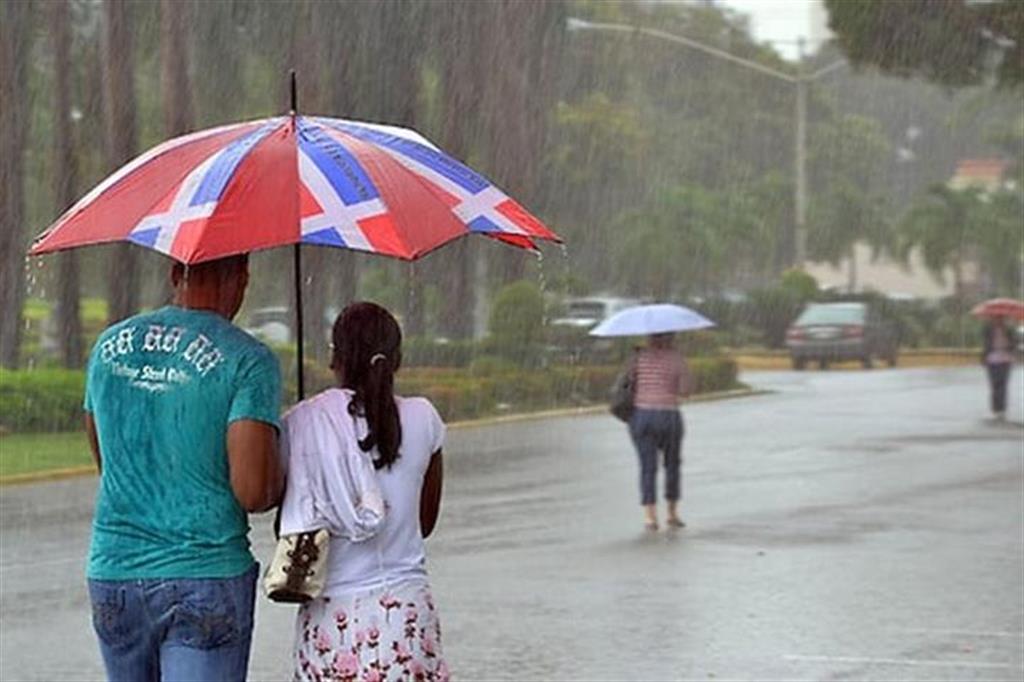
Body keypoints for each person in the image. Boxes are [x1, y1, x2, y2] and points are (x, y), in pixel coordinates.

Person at [84, 254, 283, 682]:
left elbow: (108, 456)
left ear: (175, 274)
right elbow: (254, 492)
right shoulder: (248, 360)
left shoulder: (108, 347)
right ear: (243, 278)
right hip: (205, 573)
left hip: (114, 574)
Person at [282, 302, 448, 682]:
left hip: (330, 619)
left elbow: (289, 519)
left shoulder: (304, 422)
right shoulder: (424, 417)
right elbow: (424, 522)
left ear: (334, 359)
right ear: (397, 359)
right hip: (405, 617)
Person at [628, 332, 691, 531]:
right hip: (668, 416)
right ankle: (672, 513)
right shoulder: (677, 358)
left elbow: (628, 384)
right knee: (672, 464)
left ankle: (650, 516)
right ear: (671, 338)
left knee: (647, 466)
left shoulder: (637, 358)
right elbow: (686, 390)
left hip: (642, 416)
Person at [981, 316, 1017, 420]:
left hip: (1005, 359)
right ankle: (995, 409)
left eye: (1000, 318)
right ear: (992, 319)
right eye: (996, 318)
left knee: (1003, 385)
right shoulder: (987, 329)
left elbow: (1015, 343)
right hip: (992, 359)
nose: (998, 320)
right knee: (994, 385)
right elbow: (985, 344)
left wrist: (1008, 342)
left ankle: (1002, 409)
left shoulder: (1009, 329)